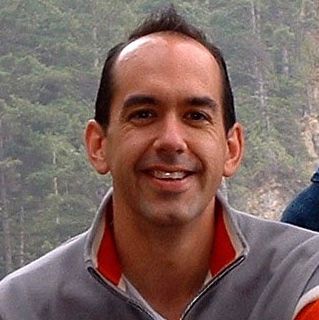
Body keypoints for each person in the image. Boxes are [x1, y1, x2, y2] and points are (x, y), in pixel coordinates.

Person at [1, 6, 319, 320]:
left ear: (231, 149)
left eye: (196, 116)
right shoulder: (22, 306)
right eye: (144, 114)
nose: (171, 140)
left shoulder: (302, 283)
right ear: (98, 145)